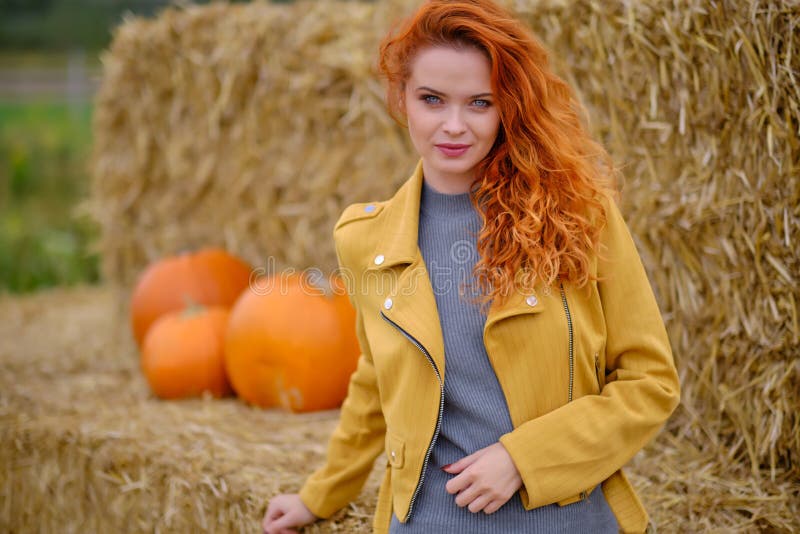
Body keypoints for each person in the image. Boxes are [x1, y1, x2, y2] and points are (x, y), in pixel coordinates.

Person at [262, 0, 680, 532]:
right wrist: (319, 496)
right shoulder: (366, 239)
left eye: (480, 103)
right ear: (401, 99)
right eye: (432, 100)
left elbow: (651, 382)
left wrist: (522, 458)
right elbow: (376, 385)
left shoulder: (579, 218)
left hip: (566, 520)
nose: (453, 126)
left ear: (508, 107)